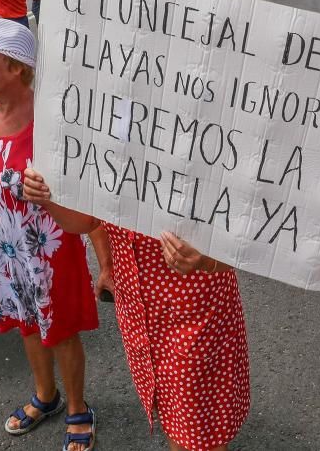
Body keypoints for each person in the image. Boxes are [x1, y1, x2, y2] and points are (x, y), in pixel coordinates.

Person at [0, 19, 107, 451]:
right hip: (1, 252)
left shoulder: (51, 124)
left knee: (59, 330)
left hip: (47, 251)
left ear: (18, 67)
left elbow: (88, 206)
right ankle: (47, 396)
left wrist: (107, 262)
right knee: (26, 324)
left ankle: (78, 408)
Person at [22, 170, 251, 451]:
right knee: (174, 417)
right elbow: (89, 220)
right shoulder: (113, 137)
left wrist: (209, 259)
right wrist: (48, 200)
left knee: (197, 433)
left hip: (196, 313)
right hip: (138, 313)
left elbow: (250, 231)